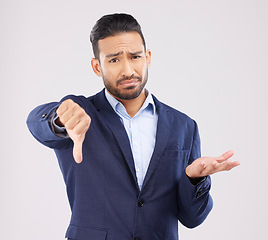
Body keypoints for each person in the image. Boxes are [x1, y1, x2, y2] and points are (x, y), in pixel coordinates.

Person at [26, 13, 240, 240]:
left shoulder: (183, 126)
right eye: (114, 60)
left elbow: (192, 218)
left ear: (147, 58)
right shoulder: (80, 114)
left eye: (135, 56)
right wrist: (58, 121)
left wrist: (194, 180)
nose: (128, 70)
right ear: (97, 66)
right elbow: (35, 123)